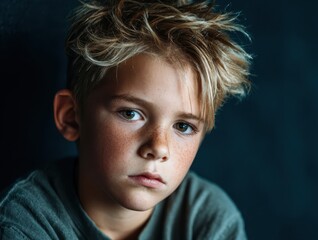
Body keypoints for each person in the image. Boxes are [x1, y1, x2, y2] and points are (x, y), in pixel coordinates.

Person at [0, 0, 252, 239]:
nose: (158, 148)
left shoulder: (209, 220)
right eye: (131, 113)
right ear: (71, 118)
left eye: (183, 126)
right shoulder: (24, 220)